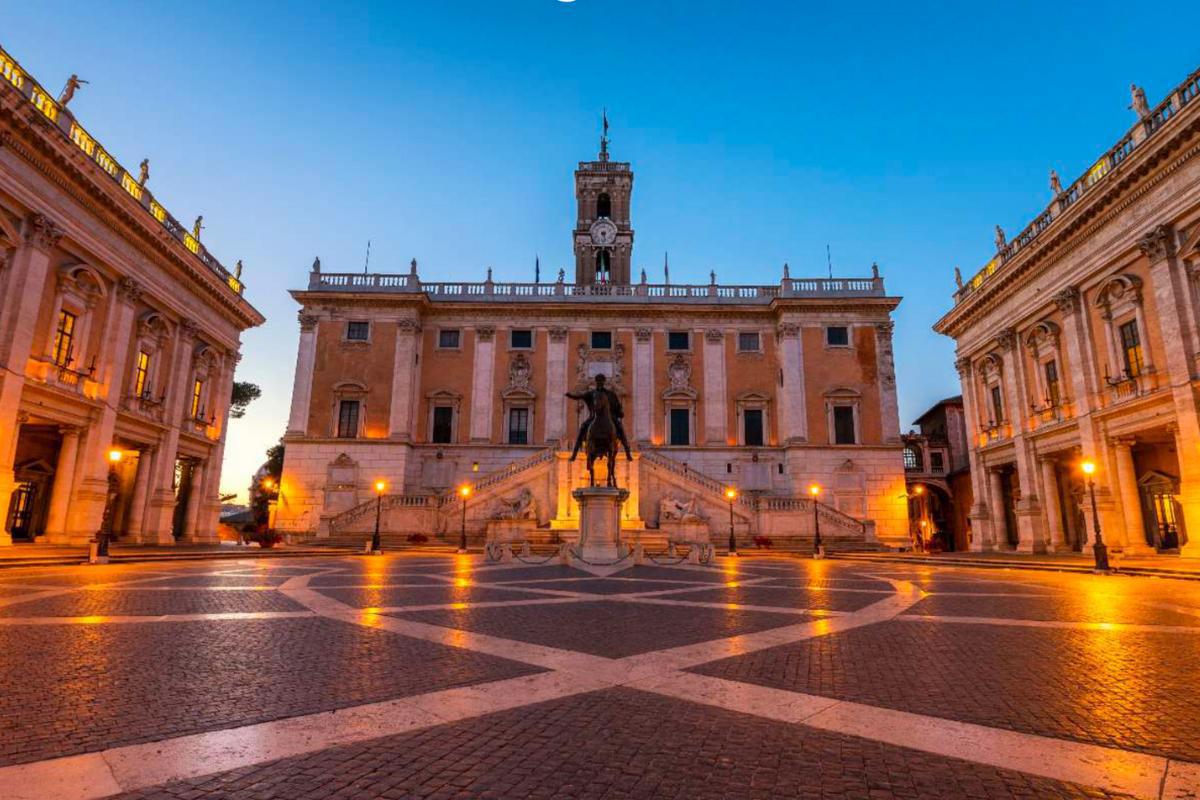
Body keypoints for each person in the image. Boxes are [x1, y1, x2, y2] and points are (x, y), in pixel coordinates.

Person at [566, 374, 632, 461]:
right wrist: (570, 395)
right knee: (582, 427)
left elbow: (618, 407)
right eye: (598, 381)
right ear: (596, 382)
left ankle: (627, 452)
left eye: (601, 381)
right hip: (594, 417)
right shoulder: (592, 393)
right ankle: (574, 454)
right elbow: (579, 396)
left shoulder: (611, 394)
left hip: (610, 417)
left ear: (604, 382)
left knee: (620, 428)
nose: (599, 383)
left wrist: (620, 413)